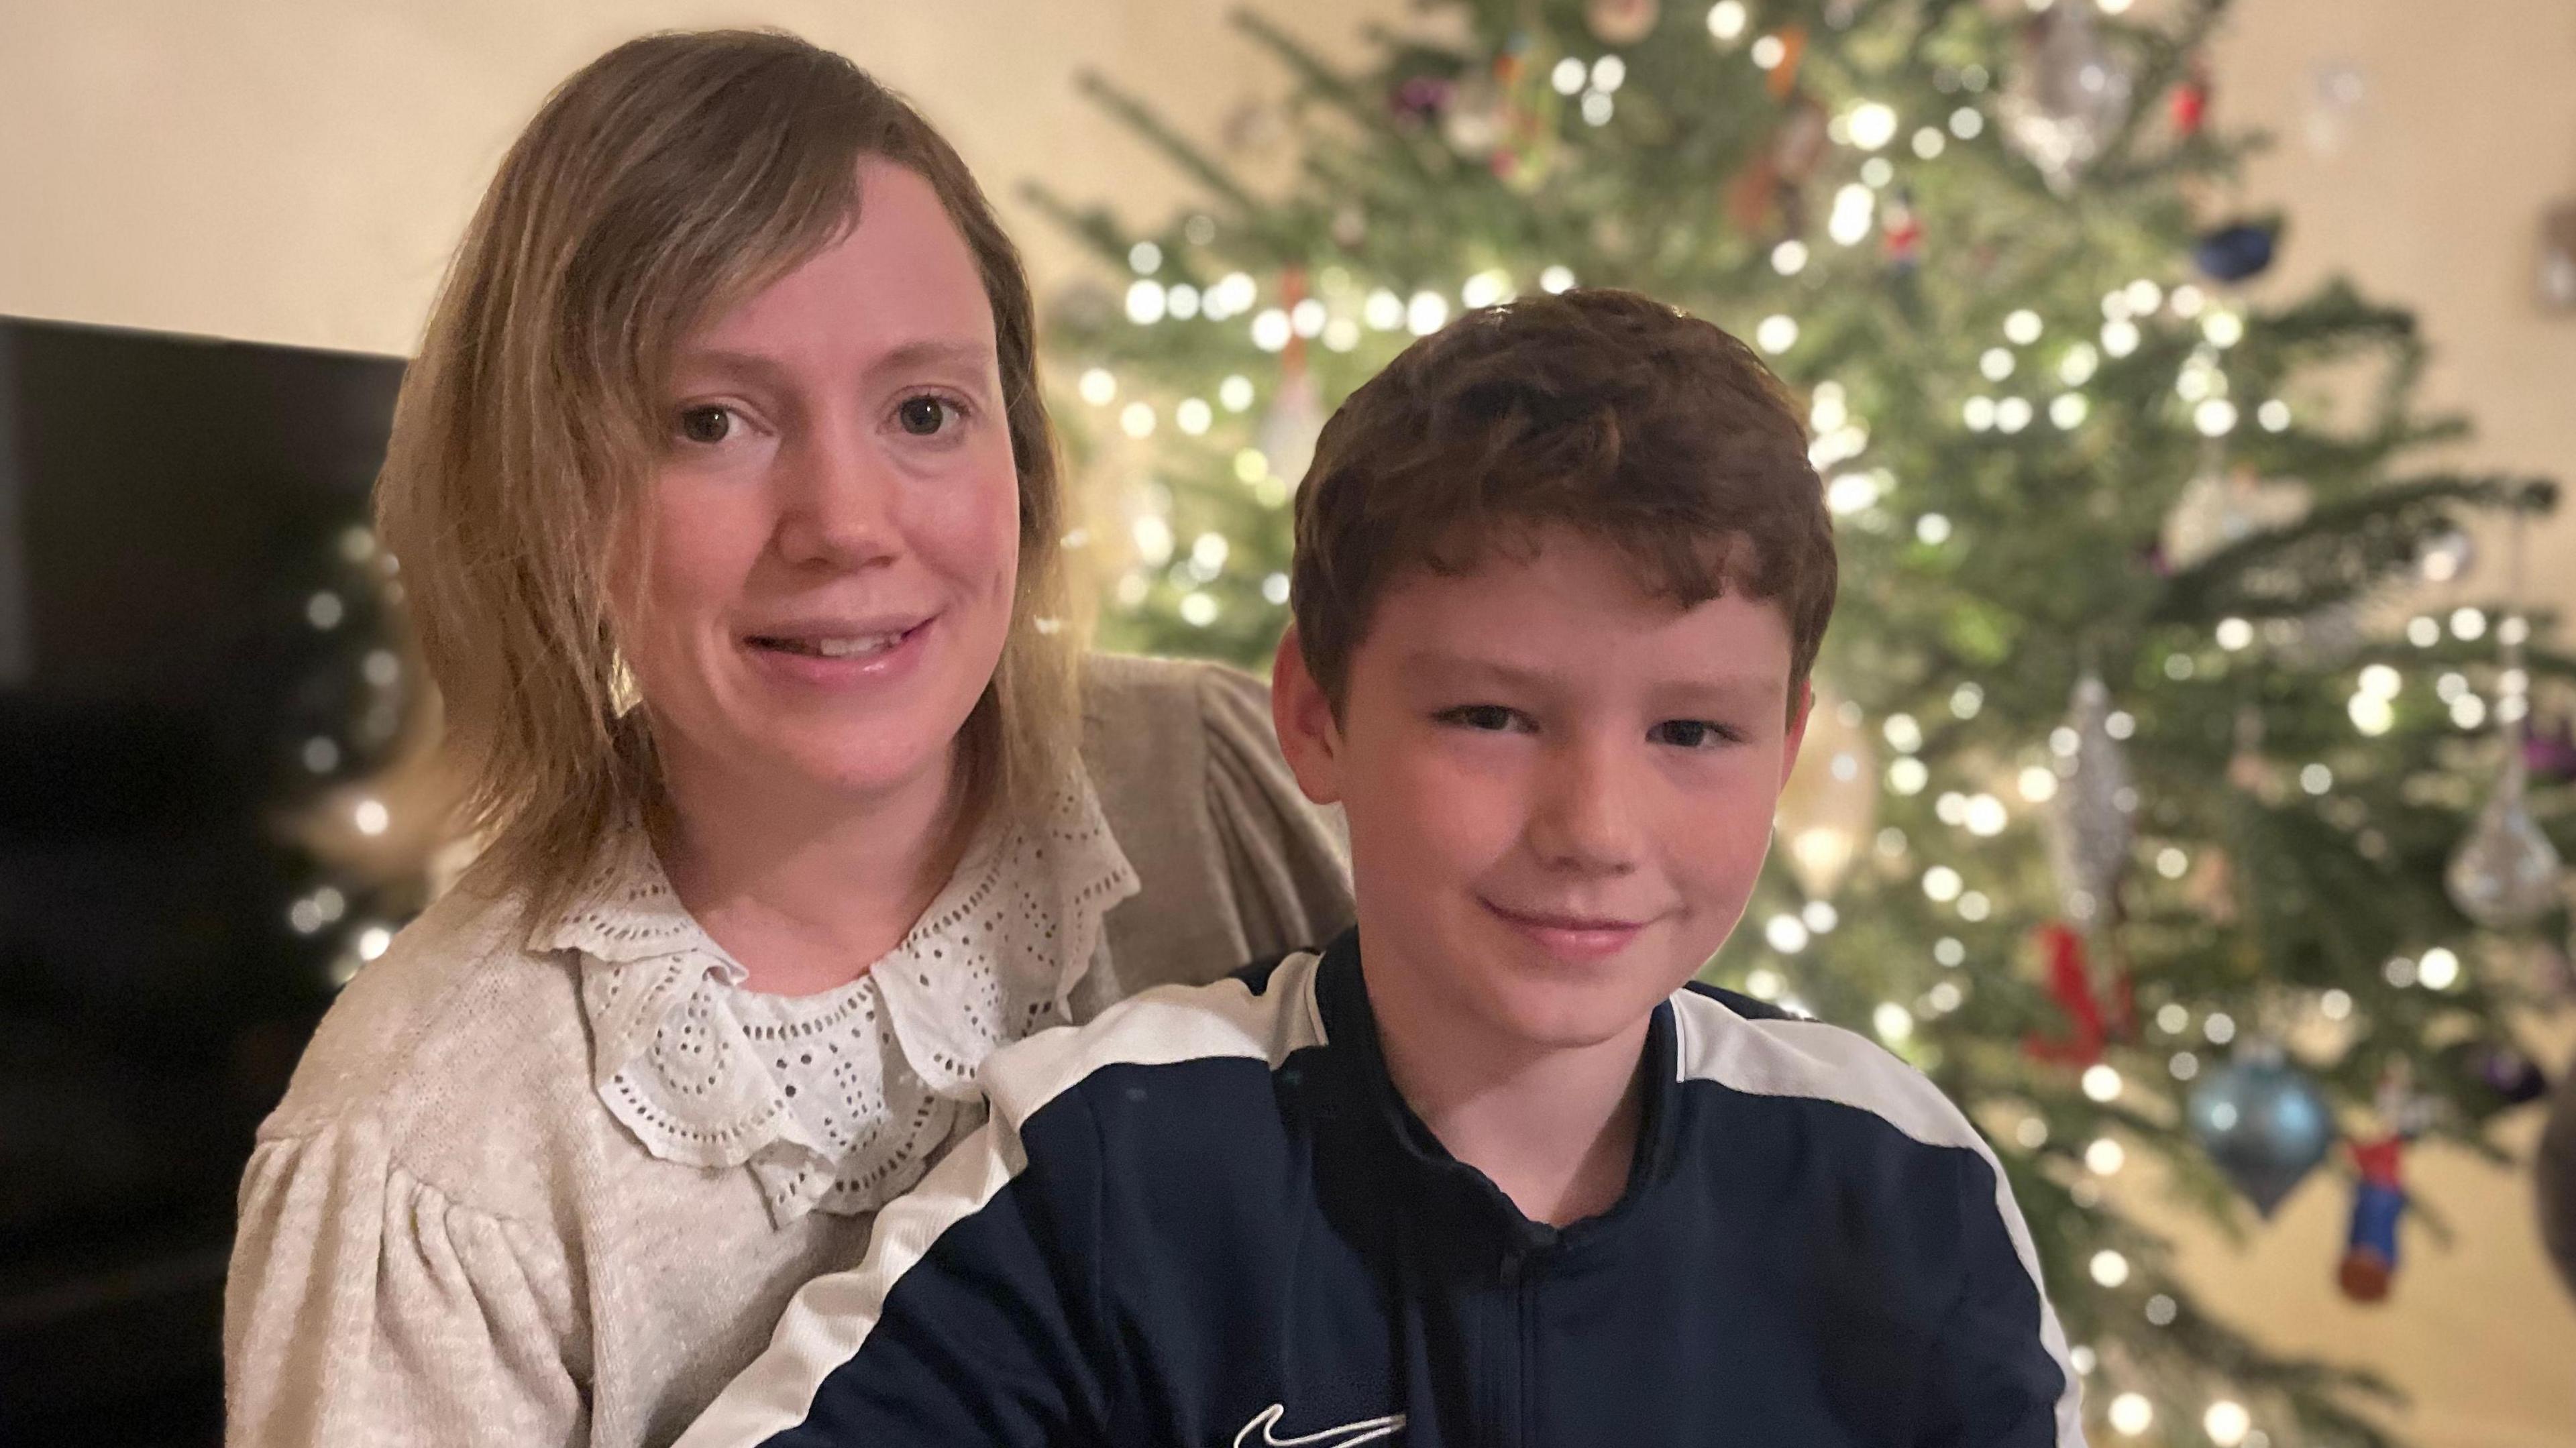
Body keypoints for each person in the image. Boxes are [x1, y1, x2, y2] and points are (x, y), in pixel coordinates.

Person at [676, 290, 2082, 1447]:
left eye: (1693, 731)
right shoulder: (1111, 1171)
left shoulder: (1900, 1186)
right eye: (1489, 717)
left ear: (1787, 747)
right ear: (1316, 717)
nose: (1593, 826)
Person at [221, 30, 1351, 1448]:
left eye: (925, 411)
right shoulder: (427, 1156)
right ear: (547, 489)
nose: (847, 524)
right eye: (713, 422)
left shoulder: (1226, 780)